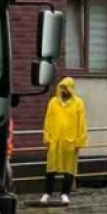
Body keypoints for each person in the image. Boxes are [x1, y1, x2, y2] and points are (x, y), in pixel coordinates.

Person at [42, 77, 88, 205]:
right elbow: (48, 120)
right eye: (61, 87)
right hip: (55, 140)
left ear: (71, 89)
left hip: (70, 141)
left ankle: (65, 193)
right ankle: (47, 193)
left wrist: (80, 141)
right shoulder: (53, 102)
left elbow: (82, 123)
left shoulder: (78, 103)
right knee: (51, 167)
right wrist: (47, 137)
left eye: (66, 88)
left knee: (69, 169)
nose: (64, 90)